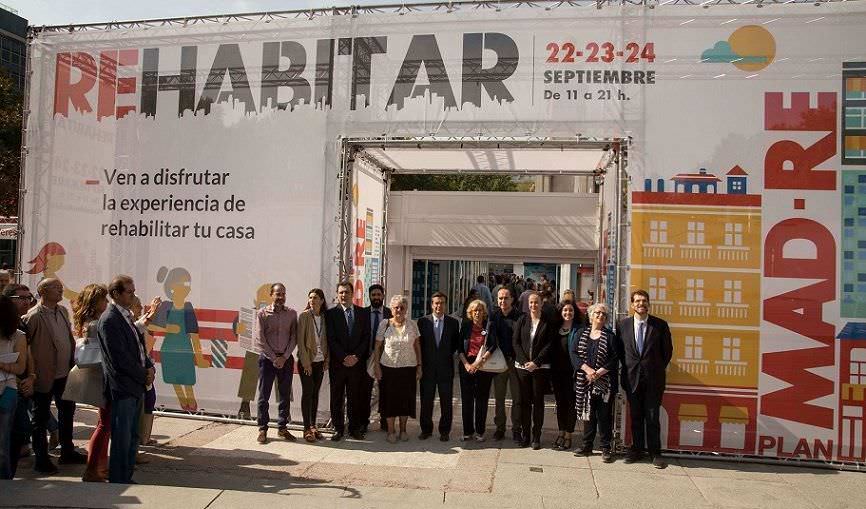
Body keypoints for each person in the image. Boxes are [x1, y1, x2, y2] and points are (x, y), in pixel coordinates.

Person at [97, 275, 155, 484]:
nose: (133, 295)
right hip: (122, 387)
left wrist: (148, 368)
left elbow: (139, 348)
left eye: (133, 291)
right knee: (122, 438)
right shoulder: (110, 320)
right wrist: (143, 374)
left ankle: (126, 476)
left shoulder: (127, 316)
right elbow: (119, 358)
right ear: (115, 294)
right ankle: (119, 480)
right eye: (129, 292)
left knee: (132, 437)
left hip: (136, 384)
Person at [23, 277, 85, 474]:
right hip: (43, 375)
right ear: (43, 291)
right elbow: (26, 348)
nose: (60, 291)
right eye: (56, 288)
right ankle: (41, 458)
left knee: (67, 412)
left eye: (60, 287)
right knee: (40, 417)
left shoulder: (63, 311)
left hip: (64, 374)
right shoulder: (33, 317)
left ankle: (67, 450)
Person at [614, 289, 673, 469]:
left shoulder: (660, 326)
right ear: (632, 305)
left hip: (653, 380)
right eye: (637, 301)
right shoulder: (622, 325)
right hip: (632, 379)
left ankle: (655, 453)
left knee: (653, 417)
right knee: (636, 416)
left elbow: (667, 353)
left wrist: (652, 368)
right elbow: (619, 351)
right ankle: (637, 449)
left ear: (648, 304)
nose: (641, 304)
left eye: (644, 301)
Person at [62, 284, 111, 481]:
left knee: (104, 423)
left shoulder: (91, 321)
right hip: (101, 376)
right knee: (104, 424)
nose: (106, 302)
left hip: (99, 375)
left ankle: (98, 465)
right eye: (103, 299)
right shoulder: (95, 324)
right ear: (95, 301)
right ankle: (93, 468)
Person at [148, 266, 209, 412]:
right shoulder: (166, 306)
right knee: (174, 378)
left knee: (187, 378)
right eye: (181, 284)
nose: (185, 288)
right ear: (171, 287)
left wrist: (199, 357)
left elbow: (194, 334)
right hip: (169, 349)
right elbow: (151, 326)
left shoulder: (188, 307)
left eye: (187, 285)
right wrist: (167, 329)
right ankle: (182, 401)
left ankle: (191, 401)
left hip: (185, 349)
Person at [571, 303, 618, 462]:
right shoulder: (580, 333)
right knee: (588, 415)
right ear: (590, 316)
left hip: (604, 383)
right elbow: (574, 354)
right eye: (597, 313)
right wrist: (588, 370)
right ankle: (587, 446)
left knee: (604, 416)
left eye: (603, 314)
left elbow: (614, 359)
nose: (600, 316)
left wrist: (598, 373)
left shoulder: (610, 336)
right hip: (584, 382)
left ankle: (605, 448)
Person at [372, 294, 421, 443]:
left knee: (405, 401)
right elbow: (377, 346)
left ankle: (403, 430)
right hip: (388, 368)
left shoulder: (413, 325)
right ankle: (391, 431)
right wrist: (377, 367)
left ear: (406, 309)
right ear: (391, 309)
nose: (399, 310)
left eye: (402, 307)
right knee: (390, 401)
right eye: (396, 307)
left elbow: (417, 346)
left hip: (408, 368)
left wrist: (419, 366)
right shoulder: (384, 324)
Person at [325, 281, 370, 441]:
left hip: (357, 364)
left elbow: (366, 338)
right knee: (336, 397)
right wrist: (344, 357)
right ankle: (338, 428)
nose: (344, 295)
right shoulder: (330, 314)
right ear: (337, 295)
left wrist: (356, 357)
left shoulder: (363, 313)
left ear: (353, 294)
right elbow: (331, 339)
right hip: (338, 364)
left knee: (355, 397)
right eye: (341, 293)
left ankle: (354, 428)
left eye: (347, 292)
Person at [254, 283, 298, 444]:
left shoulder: (292, 314)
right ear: (271, 295)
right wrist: (274, 358)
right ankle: (262, 429)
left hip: (286, 360)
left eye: (283, 294)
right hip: (267, 360)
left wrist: (284, 357)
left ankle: (282, 428)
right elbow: (260, 339)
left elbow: (294, 337)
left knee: (285, 395)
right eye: (278, 294)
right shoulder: (262, 314)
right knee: (263, 396)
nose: (281, 297)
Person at [1, 285, 35, 478]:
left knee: (14, 435)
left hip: (14, 388)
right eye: (21, 297)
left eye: (28, 297)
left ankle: (7, 477)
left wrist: (32, 377)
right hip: (12, 389)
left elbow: (28, 358)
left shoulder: (21, 329)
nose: (26, 301)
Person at [512, 292, 553, 450]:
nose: (533, 305)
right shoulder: (522, 320)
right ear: (527, 304)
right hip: (522, 368)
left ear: (541, 304)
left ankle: (536, 436)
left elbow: (549, 345)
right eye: (531, 303)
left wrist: (536, 362)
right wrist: (524, 361)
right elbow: (515, 342)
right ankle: (526, 435)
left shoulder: (547, 322)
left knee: (538, 402)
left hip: (539, 369)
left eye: (536, 302)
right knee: (524, 403)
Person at [417, 292, 459, 441]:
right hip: (427, 369)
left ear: (445, 305)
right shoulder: (423, 322)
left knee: (446, 402)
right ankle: (426, 429)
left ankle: (444, 431)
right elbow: (419, 345)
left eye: (441, 303)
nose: (438, 306)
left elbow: (455, 345)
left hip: (445, 369)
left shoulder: (453, 323)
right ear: (431, 305)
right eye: (436, 303)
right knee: (426, 401)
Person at [457, 299, 497, 442]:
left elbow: (493, 345)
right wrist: (467, 364)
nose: (478, 313)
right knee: (467, 401)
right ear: (470, 313)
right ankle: (467, 432)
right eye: (475, 311)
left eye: (480, 310)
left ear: (484, 312)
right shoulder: (466, 326)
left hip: (483, 367)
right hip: (466, 366)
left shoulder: (489, 326)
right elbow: (459, 348)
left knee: (481, 400)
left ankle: (480, 432)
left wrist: (479, 362)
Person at [490, 286, 523, 443]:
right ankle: (500, 428)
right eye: (500, 298)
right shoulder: (494, 316)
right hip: (499, 363)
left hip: (516, 363)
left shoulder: (520, 317)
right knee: (499, 397)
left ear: (512, 299)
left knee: (517, 398)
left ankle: (517, 428)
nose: (503, 301)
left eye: (506, 298)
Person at [550, 300, 583, 451]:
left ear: (574, 312)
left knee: (571, 404)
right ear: (561, 312)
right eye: (565, 310)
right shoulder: (555, 328)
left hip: (573, 373)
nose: (567, 313)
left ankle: (569, 434)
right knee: (560, 403)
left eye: (570, 310)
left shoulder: (579, 329)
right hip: (557, 372)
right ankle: (561, 431)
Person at [297, 288, 329, 442]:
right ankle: (306, 428)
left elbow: (327, 341)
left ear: (322, 301)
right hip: (307, 362)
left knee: (315, 394)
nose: (312, 300)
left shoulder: (324, 317)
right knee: (307, 392)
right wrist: (306, 363)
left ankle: (313, 425)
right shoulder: (304, 316)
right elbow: (301, 343)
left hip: (320, 362)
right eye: (310, 297)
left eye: (316, 298)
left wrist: (326, 360)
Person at [361, 284, 391, 434]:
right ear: (369, 296)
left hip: (385, 359)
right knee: (365, 392)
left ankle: (385, 421)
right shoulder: (362, 313)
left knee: (385, 391)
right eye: (373, 295)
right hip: (367, 358)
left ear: (383, 296)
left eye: (379, 295)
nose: (376, 297)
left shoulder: (390, 313)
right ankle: (364, 422)